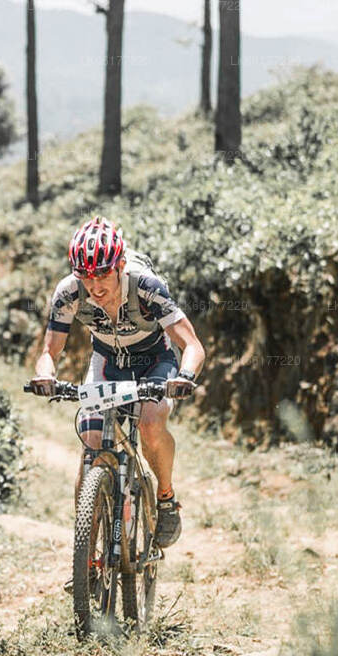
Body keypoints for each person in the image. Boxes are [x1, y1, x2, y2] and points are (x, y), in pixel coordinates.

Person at [29, 216, 205, 548]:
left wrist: (185, 376)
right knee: (92, 443)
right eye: (85, 276)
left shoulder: (146, 286)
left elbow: (192, 345)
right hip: (107, 361)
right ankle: (88, 553)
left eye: (102, 275)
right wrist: (45, 375)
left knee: (150, 424)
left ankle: (166, 498)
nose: (94, 287)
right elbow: (49, 350)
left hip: (154, 359)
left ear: (120, 265)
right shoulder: (68, 292)